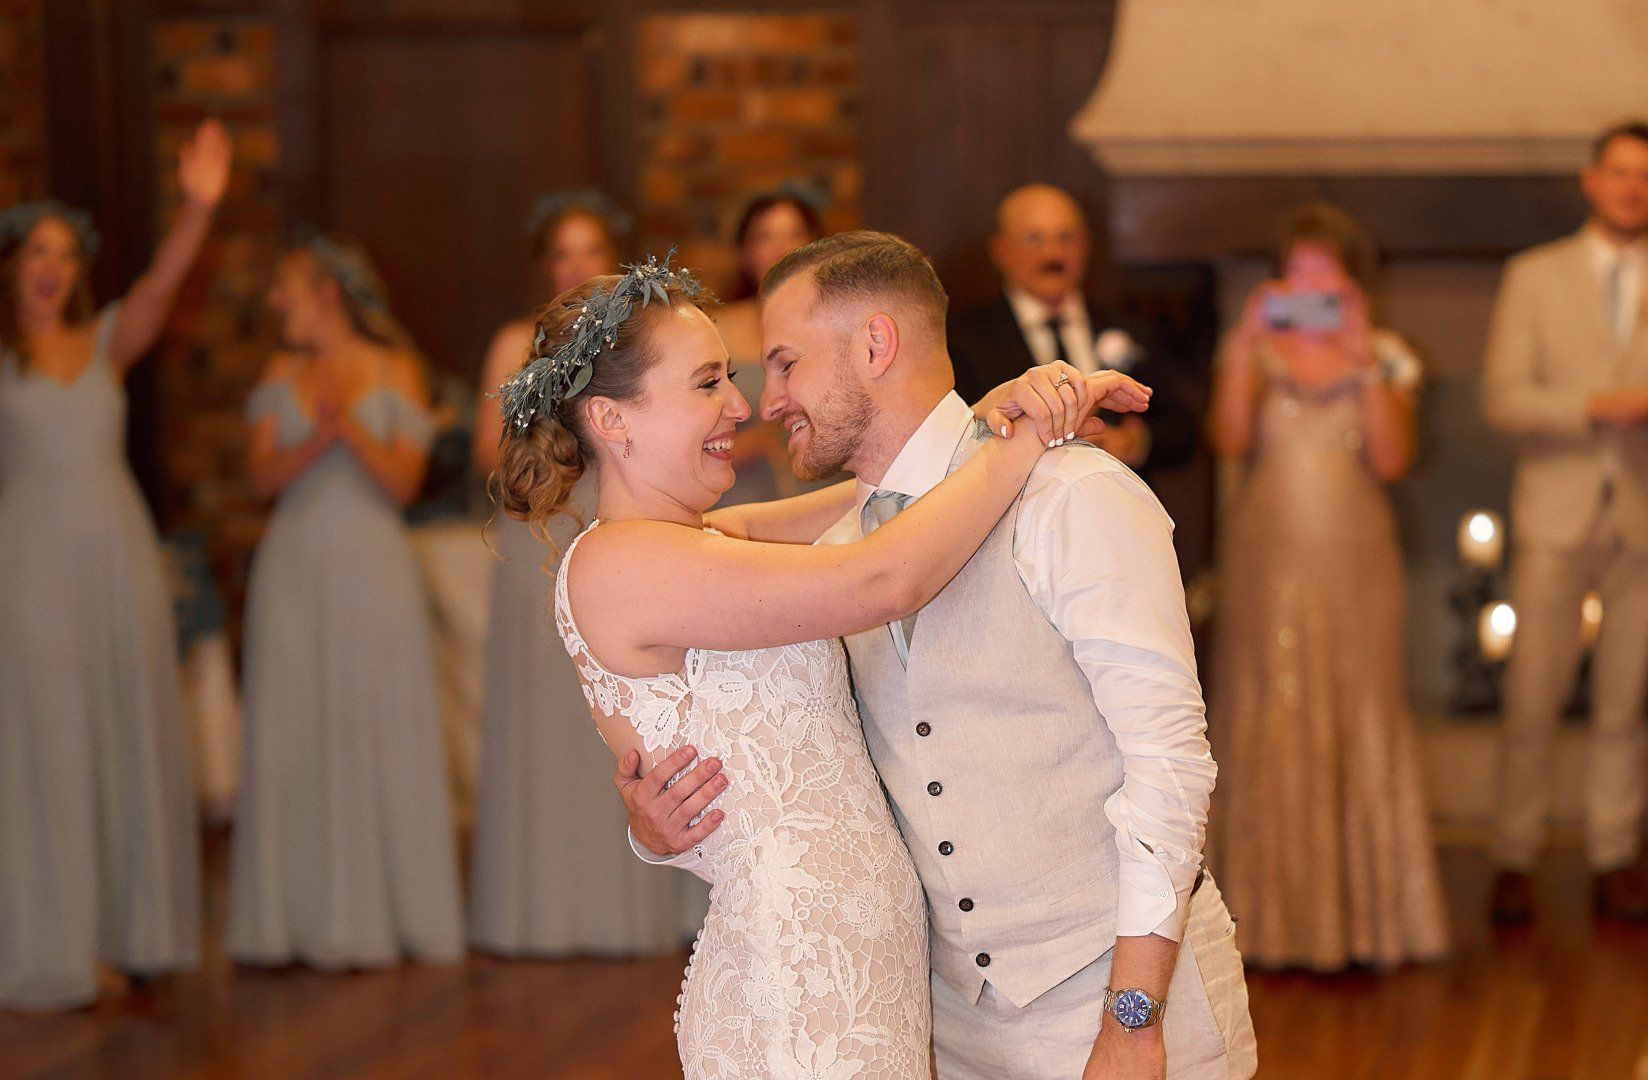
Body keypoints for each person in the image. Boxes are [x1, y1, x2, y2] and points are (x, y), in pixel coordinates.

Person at [494, 250, 1150, 1076]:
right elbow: (882, 577)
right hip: (799, 979)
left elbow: (877, 500)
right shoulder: (618, 565)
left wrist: (972, 432)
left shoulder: (700, 542)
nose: (741, 406)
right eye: (707, 383)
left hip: (863, 963)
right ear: (611, 420)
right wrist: (1021, 445)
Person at [621, 233, 1257, 1079]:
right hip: (939, 1027)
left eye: (785, 365)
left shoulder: (1075, 496)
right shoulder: (839, 563)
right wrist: (658, 832)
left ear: (875, 346)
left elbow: (1169, 765)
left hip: (1124, 1002)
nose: (766, 403)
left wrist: (1133, 1020)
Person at [0, 120, 231, 1009]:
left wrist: (198, 208)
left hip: (115, 557)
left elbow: (160, 286)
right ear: (12, 266)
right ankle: (56, 942)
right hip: (29, 566)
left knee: (118, 730)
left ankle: (129, 933)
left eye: (65, 254)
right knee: (48, 741)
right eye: (37, 251)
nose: (52, 267)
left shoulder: (105, 341)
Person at [1481, 121, 1648, 926]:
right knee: (1532, 694)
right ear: (1592, 180)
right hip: (1558, 510)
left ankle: (1615, 854)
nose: (1632, 188)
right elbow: (1504, 397)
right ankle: (1514, 853)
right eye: (1620, 173)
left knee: (1625, 702)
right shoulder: (1534, 274)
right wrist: (1590, 406)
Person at [1205, 202, 1448, 971]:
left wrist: (1364, 359)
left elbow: (1394, 458)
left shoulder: (1388, 354)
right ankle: (1264, 922)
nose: (1310, 285)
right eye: (1297, 271)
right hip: (1266, 553)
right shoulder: (1253, 350)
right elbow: (1229, 439)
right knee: (1265, 699)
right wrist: (1242, 346)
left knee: (1359, 699)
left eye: (1326, 273)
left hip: (1356, 558)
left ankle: (1367, 920)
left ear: (1353, 282)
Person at [464, 190, 696, 957]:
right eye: (562, 254)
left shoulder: (637, 344)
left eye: (589, 250)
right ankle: (542, 907)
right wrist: (552, 439)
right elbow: (486, 450)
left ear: (614, 258)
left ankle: (632, 903)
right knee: (549, 713)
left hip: (616, 522)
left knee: (626, 707)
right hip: (538, 528)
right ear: (545, 266)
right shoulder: (514, 342)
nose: (575, 266)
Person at [226, 236, 462, 969]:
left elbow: (403, 484)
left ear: (326, 293)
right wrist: (315, 435)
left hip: (372, 564)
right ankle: (291, 920)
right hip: (293, 567)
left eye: (287, 287)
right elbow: (261, 480)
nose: (276, 302)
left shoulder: (396, 369)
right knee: (295, 724)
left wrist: (347, 427)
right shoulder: (279, 372)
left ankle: (387, 916)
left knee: (379, 719)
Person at [947, 183, 1198, 483]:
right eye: (1034, 239)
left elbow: (1182, 430)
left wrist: (1133, 442)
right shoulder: (964, 338)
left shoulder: (1131, 329)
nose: (1053, 254)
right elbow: (957, 437)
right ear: (1000, 250)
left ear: (1085, 247)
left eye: (1066, 238)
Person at [708, 185, 821, 502]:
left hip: (821, 495)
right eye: (765, 237)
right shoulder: (713, 329)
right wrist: (751, 443)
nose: (781, 248)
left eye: (794, 234)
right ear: (745, 252)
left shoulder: (836, 326)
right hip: (738, 497)